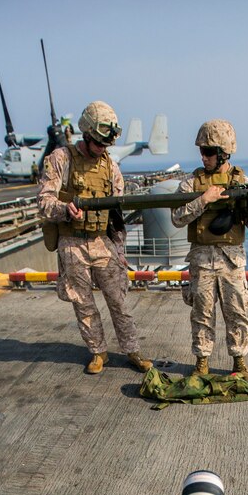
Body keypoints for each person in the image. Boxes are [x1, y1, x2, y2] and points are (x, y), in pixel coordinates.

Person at [37, 100, 152, 375]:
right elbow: (44, 200)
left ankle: (132, 350)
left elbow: (116, 210)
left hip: (102, 241)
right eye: (99, 143)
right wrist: (65, 210)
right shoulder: (60, 159)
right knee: (83, 303)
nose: (103, 149)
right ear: (86, 134)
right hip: (72, 243)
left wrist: (119, 249)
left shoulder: (110, 166)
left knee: (119, 300)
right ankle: (98, 352)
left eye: (106, 145)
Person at [171, 120, 248, 380]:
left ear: (224, 153)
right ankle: (202, 363)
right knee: (201, 313)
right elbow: (177, 218)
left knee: (237, 312)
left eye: (208, 152)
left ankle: (239, 363)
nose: (203, 157)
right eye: (201, 152)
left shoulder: (242, 182)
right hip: (202, 260)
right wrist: (202, 201)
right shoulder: (191, 184)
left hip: (232, 261)